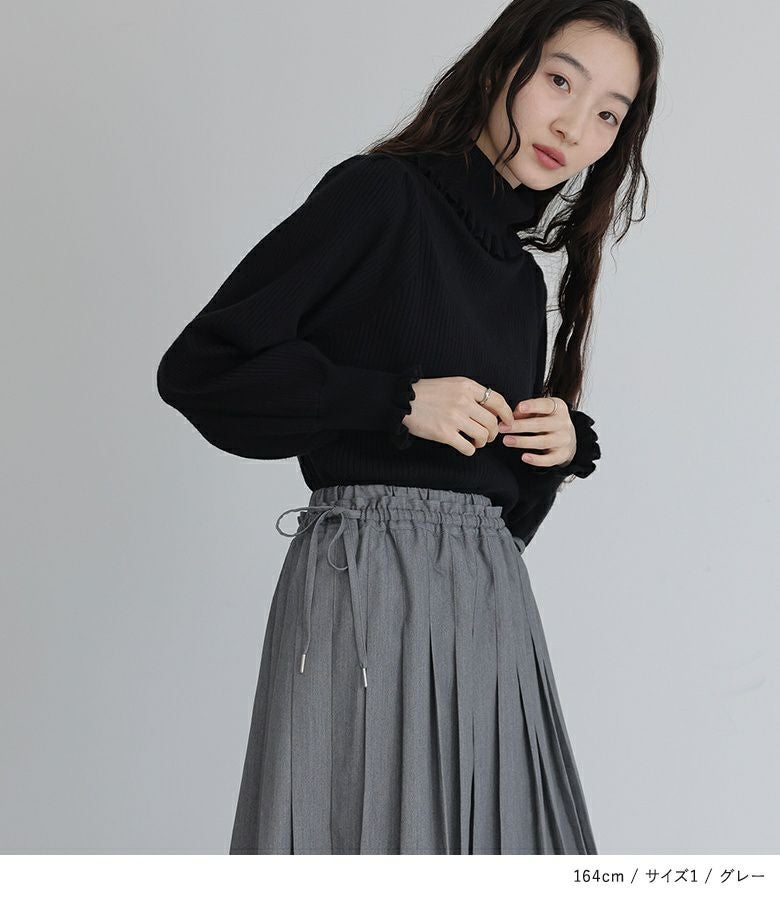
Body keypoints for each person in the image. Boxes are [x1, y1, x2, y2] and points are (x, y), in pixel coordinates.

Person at [156, 0, 659, 854]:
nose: (575, 127)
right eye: (560, 81)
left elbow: (503, 519)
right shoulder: (381, 196)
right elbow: (202, 370)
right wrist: (393, 401)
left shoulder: (518, 282)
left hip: (490, 603)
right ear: (501, 67)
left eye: (609, 114)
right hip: (364, 586)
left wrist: (552, 453)